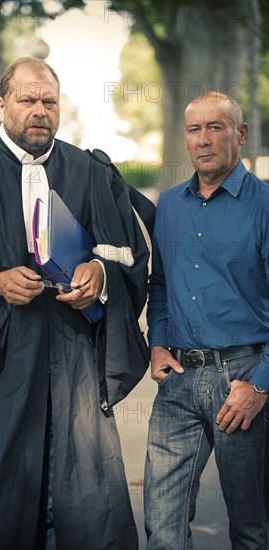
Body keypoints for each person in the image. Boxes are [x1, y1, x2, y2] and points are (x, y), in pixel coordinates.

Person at [0, 57, 155, 550]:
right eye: (27, 100)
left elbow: (128, 255)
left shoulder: (89, 172)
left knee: (81, 505)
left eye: (49, 102)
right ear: (1, 105)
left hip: (72, 364)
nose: (39, 110)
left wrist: (99, 274)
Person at [144, 91, 269, 549]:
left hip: (241, 381)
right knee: (162, 524)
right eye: (194, 129)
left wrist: (259, 385)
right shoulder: (170, 205)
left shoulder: (264, 206)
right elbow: (159, 287)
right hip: (177, 379)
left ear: (241, 133)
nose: (204, 140)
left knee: (251, 529)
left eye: (216, 127)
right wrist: (157, 343)